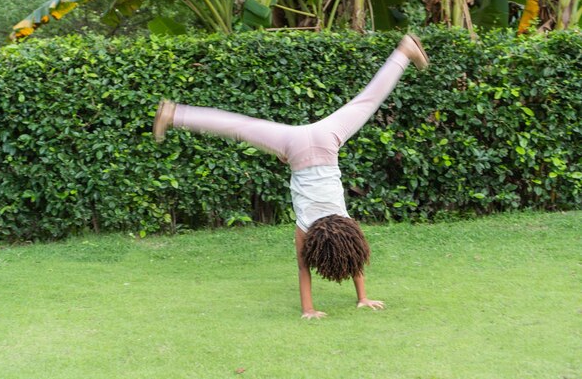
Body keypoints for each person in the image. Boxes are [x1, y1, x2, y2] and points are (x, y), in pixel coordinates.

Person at [152, 34, 429, 319]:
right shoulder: (306, 228)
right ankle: (175, 116)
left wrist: (348, 300)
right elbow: (314, 266)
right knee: (243, 127)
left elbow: (351, 256)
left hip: (321, 141)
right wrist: (346, 302)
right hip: (297, 148)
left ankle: (174, 114)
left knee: (363, 103)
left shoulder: (344, 222)